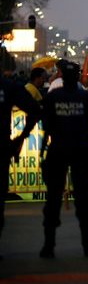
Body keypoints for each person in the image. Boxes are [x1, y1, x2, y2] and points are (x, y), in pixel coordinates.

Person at [39, 61, 88, 258]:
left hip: (58, 149)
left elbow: (46, 123)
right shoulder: (84, 97)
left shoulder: (53, 96)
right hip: (81, 149)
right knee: (83, 199)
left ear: (62, 77)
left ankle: (49, 246)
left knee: (53, 199)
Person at [1, 74, 41, 259]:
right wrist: (21, 138)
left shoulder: (8, 86)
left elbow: (35, 110)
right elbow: (35, 110)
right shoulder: (8, 85)